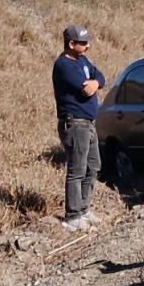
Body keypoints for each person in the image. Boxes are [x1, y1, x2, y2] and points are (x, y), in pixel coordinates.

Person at [52, 24, 106, 232]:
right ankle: (72, 215)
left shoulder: (83, 60)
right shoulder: (63, 65)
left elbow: (99, 78)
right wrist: (92, 84)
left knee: (93, 165)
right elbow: (85, 89)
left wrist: (96, 83)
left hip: (89, 123)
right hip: (74, 123)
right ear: (71, 44)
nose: (88, 45)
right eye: (83, 43)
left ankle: (84, 208)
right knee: (77, 169)